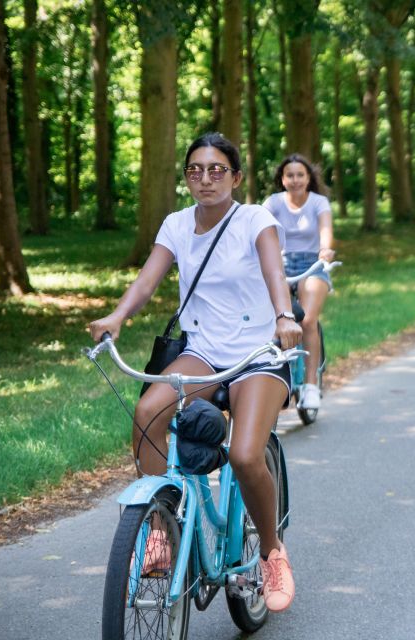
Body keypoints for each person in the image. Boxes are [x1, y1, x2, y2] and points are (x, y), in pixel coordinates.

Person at [89, 133, 300, 613]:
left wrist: (285, 316)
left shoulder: (255, 219)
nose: (205, 178)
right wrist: (117, 317)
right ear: (186, 177)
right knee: (148, 411)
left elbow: (273, 273)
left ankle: (271, 552)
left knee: (246, 456)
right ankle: (161, 529)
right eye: (195, 170)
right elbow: (148, 279)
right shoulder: (176, 225)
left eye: (217, 169)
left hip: (258, 355)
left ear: (236, 177)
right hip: (204, 351)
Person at [263, 154, 335, 412]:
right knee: (273, 320)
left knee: (306, 320)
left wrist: (325, 251)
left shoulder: (318, 202)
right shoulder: (272, 203)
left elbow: (326, 232)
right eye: (289, 175)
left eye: (300, 175)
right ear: (282, 180)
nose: (295, 180)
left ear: (308, 178)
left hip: (313, 263)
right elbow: (260, 232)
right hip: (279, 264)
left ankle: (312, 386)